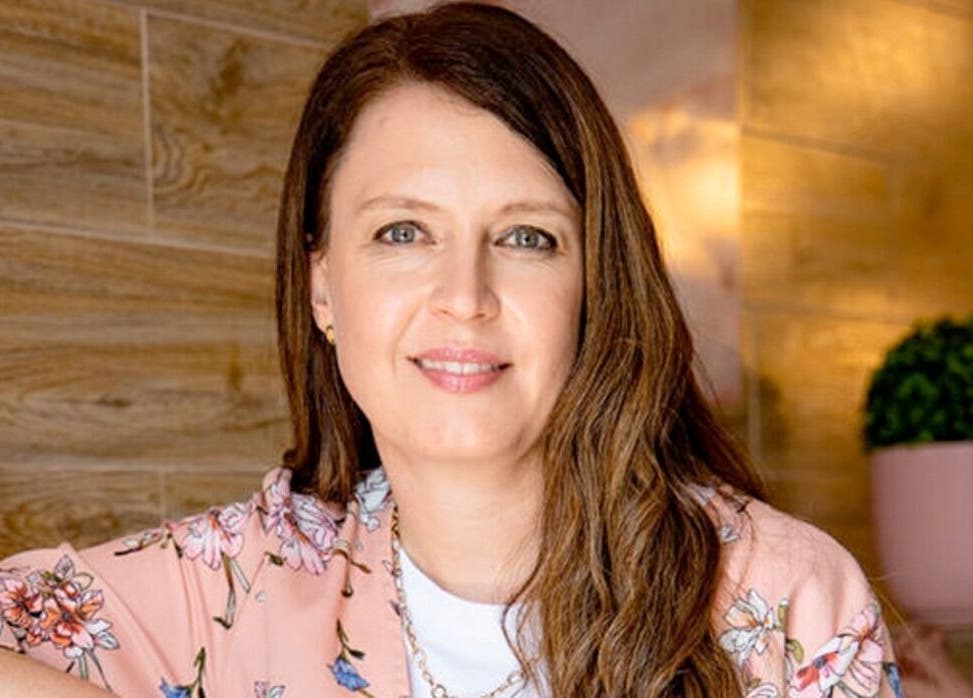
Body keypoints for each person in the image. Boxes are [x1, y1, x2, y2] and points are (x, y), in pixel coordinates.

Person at [0, 3, 903, 696]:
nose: (464, 299)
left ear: (594, 286)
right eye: (401, 232)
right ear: (321, 284)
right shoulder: (227, 589)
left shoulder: (779, 601)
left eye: (526, 237)